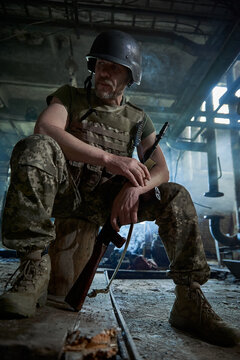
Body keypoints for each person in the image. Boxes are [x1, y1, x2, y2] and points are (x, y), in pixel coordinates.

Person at [0, 29, 239, 347]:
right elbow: (46, 127)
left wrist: (135, 190)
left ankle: (188, 300)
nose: (103, 71)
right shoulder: (71, 97)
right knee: (35, 147)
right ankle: (32, 266)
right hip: (63, 193)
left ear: (130, 75)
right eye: (99, 64)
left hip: (106, 203)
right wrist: (110, 159)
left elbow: (161, 170)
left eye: (112, 66)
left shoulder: (138, 118)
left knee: (175, 196)